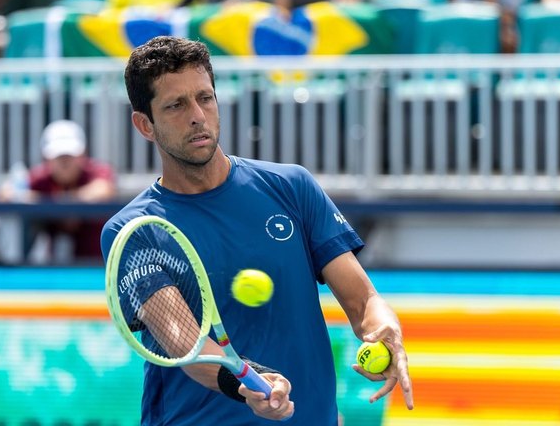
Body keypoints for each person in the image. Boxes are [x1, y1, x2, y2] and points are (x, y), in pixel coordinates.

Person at [100, 36, 414, 424]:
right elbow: (186, 345)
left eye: (205, 98)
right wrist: (249, 382)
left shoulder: (292, 187)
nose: (197, 115)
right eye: (176, 105)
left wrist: (384, 327)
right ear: (145, 124)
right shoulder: (133, 231)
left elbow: (362, 300)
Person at [28, 120, 117, 262]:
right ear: (47, 159)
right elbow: (11, 192)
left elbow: (104, 189)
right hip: (51, 269)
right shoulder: (39, 177)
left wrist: (58, 202)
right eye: (59, 157)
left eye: (70, 156)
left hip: (97, 265)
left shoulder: (96, 171)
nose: (65, 162)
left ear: (83, 155)